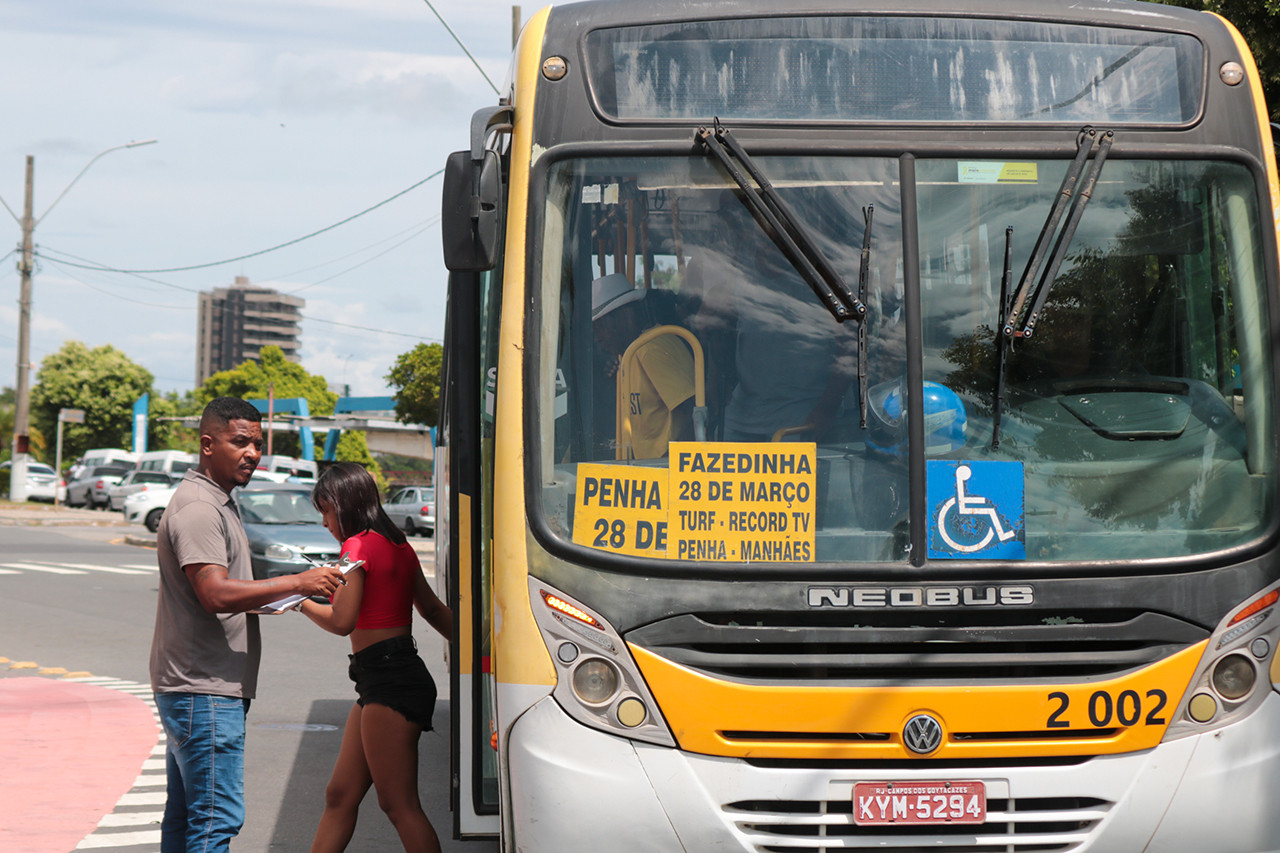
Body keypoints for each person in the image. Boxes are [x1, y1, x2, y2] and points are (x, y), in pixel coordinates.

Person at [149, 396, 346, 852]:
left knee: (186, 817)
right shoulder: (199, 508)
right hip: (204, 690)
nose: (252, 454)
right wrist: (298, 578)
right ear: (206, 444)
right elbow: (215, 593)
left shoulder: (218, 501)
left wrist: (289, 596)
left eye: (257, 444)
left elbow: (228, 592)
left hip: (197, 688)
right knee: (214, 822)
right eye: (240, 442)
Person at [296, 462, 453, 853]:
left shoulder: (357, 546)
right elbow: (432, 610)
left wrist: (299, 601)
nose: (325, 524)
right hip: (384, 678)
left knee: (399, 805)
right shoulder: (398, 543)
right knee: (340, 794)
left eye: (325, 512)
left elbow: (341, 621)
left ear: (341, 504)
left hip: (389, 680)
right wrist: (484, 653)